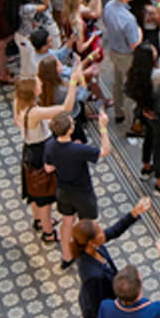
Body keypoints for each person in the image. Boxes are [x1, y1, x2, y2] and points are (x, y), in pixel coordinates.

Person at [72, 199, 154, 318]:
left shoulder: (95, 248)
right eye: (100, 232)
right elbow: (96, 311)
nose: (104, 232)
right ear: (91, 242)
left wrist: (134, 214)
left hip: (113, 315)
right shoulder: (92, 275)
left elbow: (114, 231)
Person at [46, 109, 114, 267]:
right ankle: (89, 256)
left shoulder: (50, 145)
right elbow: (105, 151)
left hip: (63, 191)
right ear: (70, 130)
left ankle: (66, 256)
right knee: (87, 226)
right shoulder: (78, 150)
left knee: (67, 221)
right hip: (83, 193)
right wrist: (103, 128)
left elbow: (48, 168)